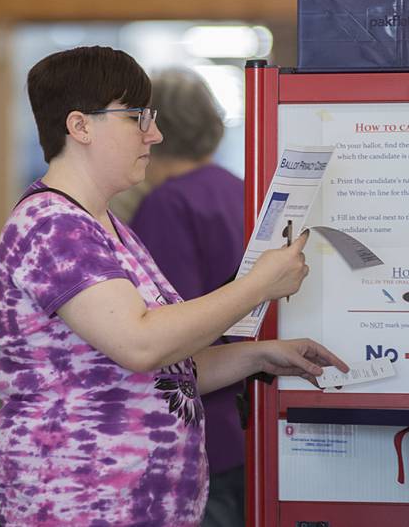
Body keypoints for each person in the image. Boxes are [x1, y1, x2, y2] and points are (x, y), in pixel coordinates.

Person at [0, 45, 348, 527]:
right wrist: (259, 285)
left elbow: (163, 373)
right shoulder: (52, 225)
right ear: (80, 126)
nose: (153, 134)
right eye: (137, 117)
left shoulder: (107, 226)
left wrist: (257, 356)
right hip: (78, 505)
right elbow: (140, 343)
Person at [129, 68, 246, 527]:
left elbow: (165, 331)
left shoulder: (166, 204)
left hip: (200, 431)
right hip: (246, 423)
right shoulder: (240, 189)